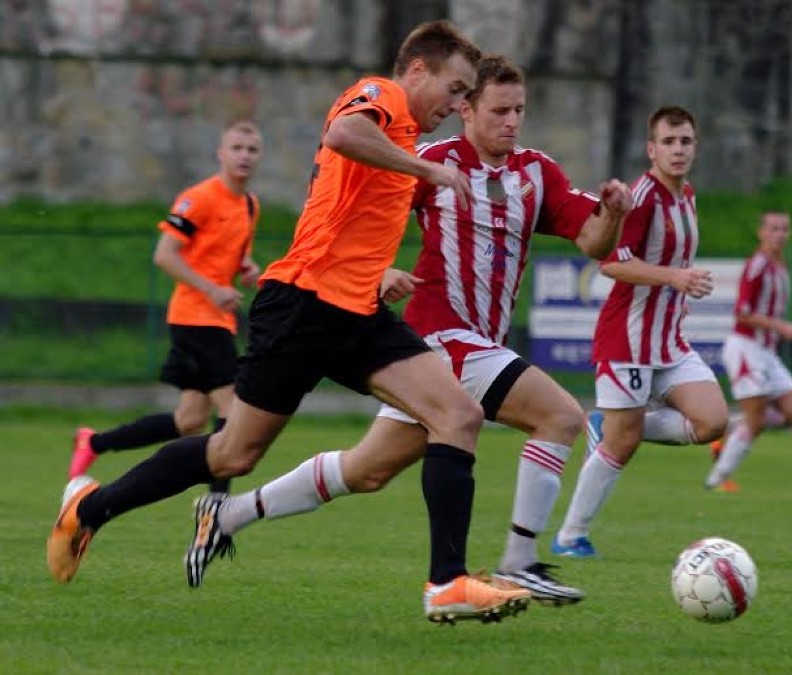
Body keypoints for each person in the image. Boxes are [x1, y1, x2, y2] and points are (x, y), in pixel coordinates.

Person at [47, 20, 535, 625]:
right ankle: (89, 511)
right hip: (303, 303)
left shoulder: (406, 134)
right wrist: (427, 172)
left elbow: (350, 204)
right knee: (232, 455)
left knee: (457, 414)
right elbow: (342, 132)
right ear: (417, 71)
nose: (459, 105)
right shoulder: (379, 97)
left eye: (468, 96)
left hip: (358, 311)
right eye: (455, 89)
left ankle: (447, 584)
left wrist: (382, 266)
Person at [182, 55, 633, 607]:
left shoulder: (536, 172)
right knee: (560, 416)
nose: (512, 121)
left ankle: (228, 514)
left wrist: (611, 213)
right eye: (499, 110)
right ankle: (519, 562)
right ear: (465, 108)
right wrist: (375, 271)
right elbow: (353, 202)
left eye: (519, 110)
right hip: (441, 337)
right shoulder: (430, 161)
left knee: (367, 471)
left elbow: (593, 242)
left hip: (478, 346)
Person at [552, 105, 729, 558]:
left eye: (685, 141)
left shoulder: (686, 196)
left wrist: (679, 291)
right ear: (652, 149)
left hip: (668, 341)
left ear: (695, 147)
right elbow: (611, 262)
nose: (677, 150)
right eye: (668, 142)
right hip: (627, 339)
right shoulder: (641, 197)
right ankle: (571, 537)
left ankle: (606, 425)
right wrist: (674, 279)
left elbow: (671, 264)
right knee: (623, 444)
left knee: (713, 421)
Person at [67, 120, 263, 495]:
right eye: (236, 148)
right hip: (194, 317)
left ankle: (94, 443)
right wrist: (211, 289)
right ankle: (217, 506)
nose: (244, 156)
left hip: (216, 318)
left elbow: (228, 253)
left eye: (252, 150)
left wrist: (246, 268)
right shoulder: (200, 197)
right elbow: (165, 255)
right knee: (234, 410)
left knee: (188, 420)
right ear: (220, 153)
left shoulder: (250, 206)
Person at [704, 212, 792, 491]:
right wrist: (782, 327)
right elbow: (743, 313)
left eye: (785, 229)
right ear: (762, 233)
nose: (780, 235)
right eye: (774, 229)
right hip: (745, 348)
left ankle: (734, 426)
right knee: (757, 420)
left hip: (766, 351)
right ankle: (716, 480)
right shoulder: (757, 265)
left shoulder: (781, 266)